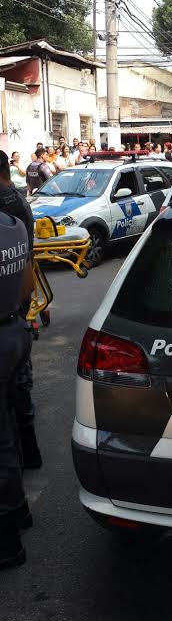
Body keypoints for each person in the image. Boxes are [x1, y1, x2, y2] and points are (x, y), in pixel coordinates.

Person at [0, 152, 41, 472]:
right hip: (17, 317)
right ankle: (31, 453)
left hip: (6, 319)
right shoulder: (18, 211)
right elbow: (27, 280)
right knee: (20, 390)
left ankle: (13, 509)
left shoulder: (7, 208)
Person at [0, 208, 35, 569]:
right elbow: (27, 286)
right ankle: (20, 510)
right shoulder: (14, 227)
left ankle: (8, 539)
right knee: (9, 421)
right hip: (14, 332)